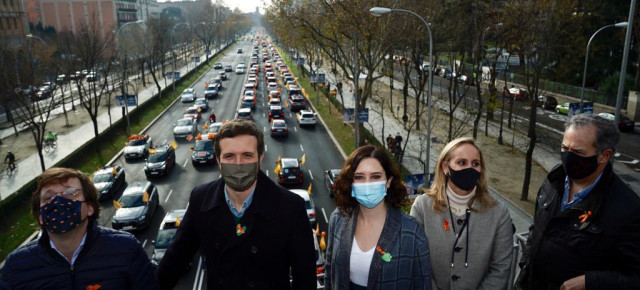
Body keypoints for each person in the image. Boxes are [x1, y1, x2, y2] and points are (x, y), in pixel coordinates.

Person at [157, 119, 316, 289]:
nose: (239, 165)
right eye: (229, 156)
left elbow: (305, 280)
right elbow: (174, 262)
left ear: (260, 158)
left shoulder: (291, 208)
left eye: (247, 155)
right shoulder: (201, 199)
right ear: (218, 160)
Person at [518, 114, 640, 290]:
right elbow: (537, 228)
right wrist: (526, 262)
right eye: (564, 148)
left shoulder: (628, 210)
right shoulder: (554, 180)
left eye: (577, 152)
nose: (567, 157)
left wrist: (591, 282)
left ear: (604, 155)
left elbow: (635, 277)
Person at [0, 167, 158, 289]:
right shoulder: (16, 267)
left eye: (70, 193)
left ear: (90, 208)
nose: (59, 201)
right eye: (48, 198)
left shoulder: (127, 249)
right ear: (40, 216)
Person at [410, 137, 513, 289]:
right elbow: (415, 261)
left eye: (475, 164)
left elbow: (501, 268)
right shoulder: (422, 206)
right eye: (461, 162)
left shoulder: (499, 213)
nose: (470, 168)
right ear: (445, 167)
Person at [325, 145, 431, 289]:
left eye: (375, 176)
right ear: (351, 182)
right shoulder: (338, 218)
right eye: (359, 177)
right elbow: (330, 272)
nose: (367, 184)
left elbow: (423, 284)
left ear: (388, 181)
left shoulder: (412, 231)